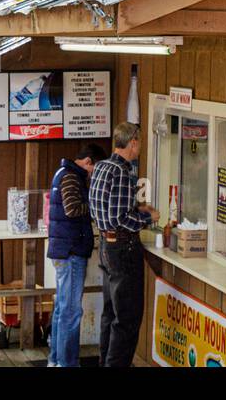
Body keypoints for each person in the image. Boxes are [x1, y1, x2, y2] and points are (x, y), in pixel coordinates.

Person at [88, 122, 158, 368]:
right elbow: (120, 219)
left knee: (110, 312)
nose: (140, 147)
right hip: (123, 248)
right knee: (127, 318)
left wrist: (137, 209)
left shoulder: (101, 167)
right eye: (140, 143)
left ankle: (105, 362)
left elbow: (104, 209)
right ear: (133, 142)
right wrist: (148, 217)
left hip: (105, 245)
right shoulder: (121, 172)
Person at [46, 143, 107, 367]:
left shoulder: (63, 172)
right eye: (95, 168)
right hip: (71, 251)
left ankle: (55, 360)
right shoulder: (71, 177)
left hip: (64, 249)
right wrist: (96, 205)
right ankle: (67, 363)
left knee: (62, 310)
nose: (94, 174)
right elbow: (72, 209)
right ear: (88, 161)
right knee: (71, 312)